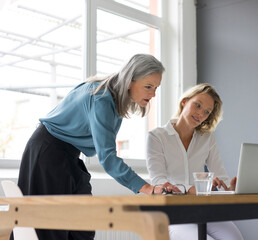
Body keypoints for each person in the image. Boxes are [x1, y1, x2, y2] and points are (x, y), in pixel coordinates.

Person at [16, 54, 173, 240]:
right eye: (148, 86)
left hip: (67, 153)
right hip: (49, 151)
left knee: (84, 224)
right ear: (130, 81)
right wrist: (147, 188)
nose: (153, 94)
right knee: (52, 226)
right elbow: (107, 157)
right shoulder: (101, 98)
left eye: (156, 88)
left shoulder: (113, 98)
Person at [146, 83, 244, 240]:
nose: (200, 114)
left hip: (203, 210)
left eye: (206, 112)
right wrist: (189, 189)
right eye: (197, 105)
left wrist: (230, 190)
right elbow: (159, 182)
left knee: (234, 238)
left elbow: (221, 177)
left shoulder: (207, 139)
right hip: (171, 213)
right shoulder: (157, 137)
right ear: (185, 101)